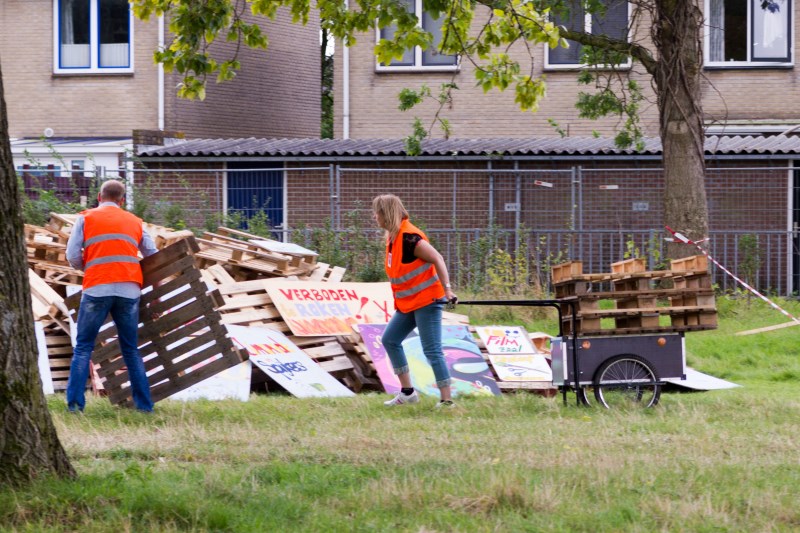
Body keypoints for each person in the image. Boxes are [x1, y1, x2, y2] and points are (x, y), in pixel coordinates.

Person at [65, 180, 157, 413]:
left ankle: (75, 406)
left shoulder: (86, 218)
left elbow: (72, 254)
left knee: (84, 347)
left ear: (99, 196)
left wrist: (88, 268)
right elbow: (152, 254)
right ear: (122, 200)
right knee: (130, 348)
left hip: (97, 287)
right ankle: (144, 407)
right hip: (129, 290)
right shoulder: (135, 222)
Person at [372, 194, 458, 408]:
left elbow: (438, 258)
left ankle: (447, 401)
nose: (375, 217)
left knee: (432, 350)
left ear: (386, 214)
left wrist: (447, 290)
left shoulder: (411, 238)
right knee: (390, 340)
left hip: (427, 301)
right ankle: (408, 393)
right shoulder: (394, 238)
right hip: (408, 303)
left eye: (377, 213)